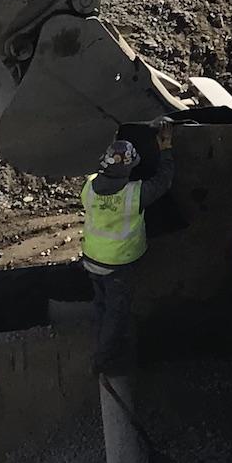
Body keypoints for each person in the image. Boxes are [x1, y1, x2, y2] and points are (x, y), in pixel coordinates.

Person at [81, 133, 171, 374]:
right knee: (116, 314)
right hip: (117, 265)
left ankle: (101, 342)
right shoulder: (133, 195)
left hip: (91, 259)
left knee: (101, 305)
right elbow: (163, 182)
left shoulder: (89, 187)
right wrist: (166, 149)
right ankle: (103, 360)